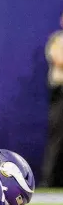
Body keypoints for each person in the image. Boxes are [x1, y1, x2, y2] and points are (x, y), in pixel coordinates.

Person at [41, 31, 63, 187]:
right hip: (60, 94)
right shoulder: (57, 40)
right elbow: (59, 60)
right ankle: (50, 180)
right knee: (57, 137)